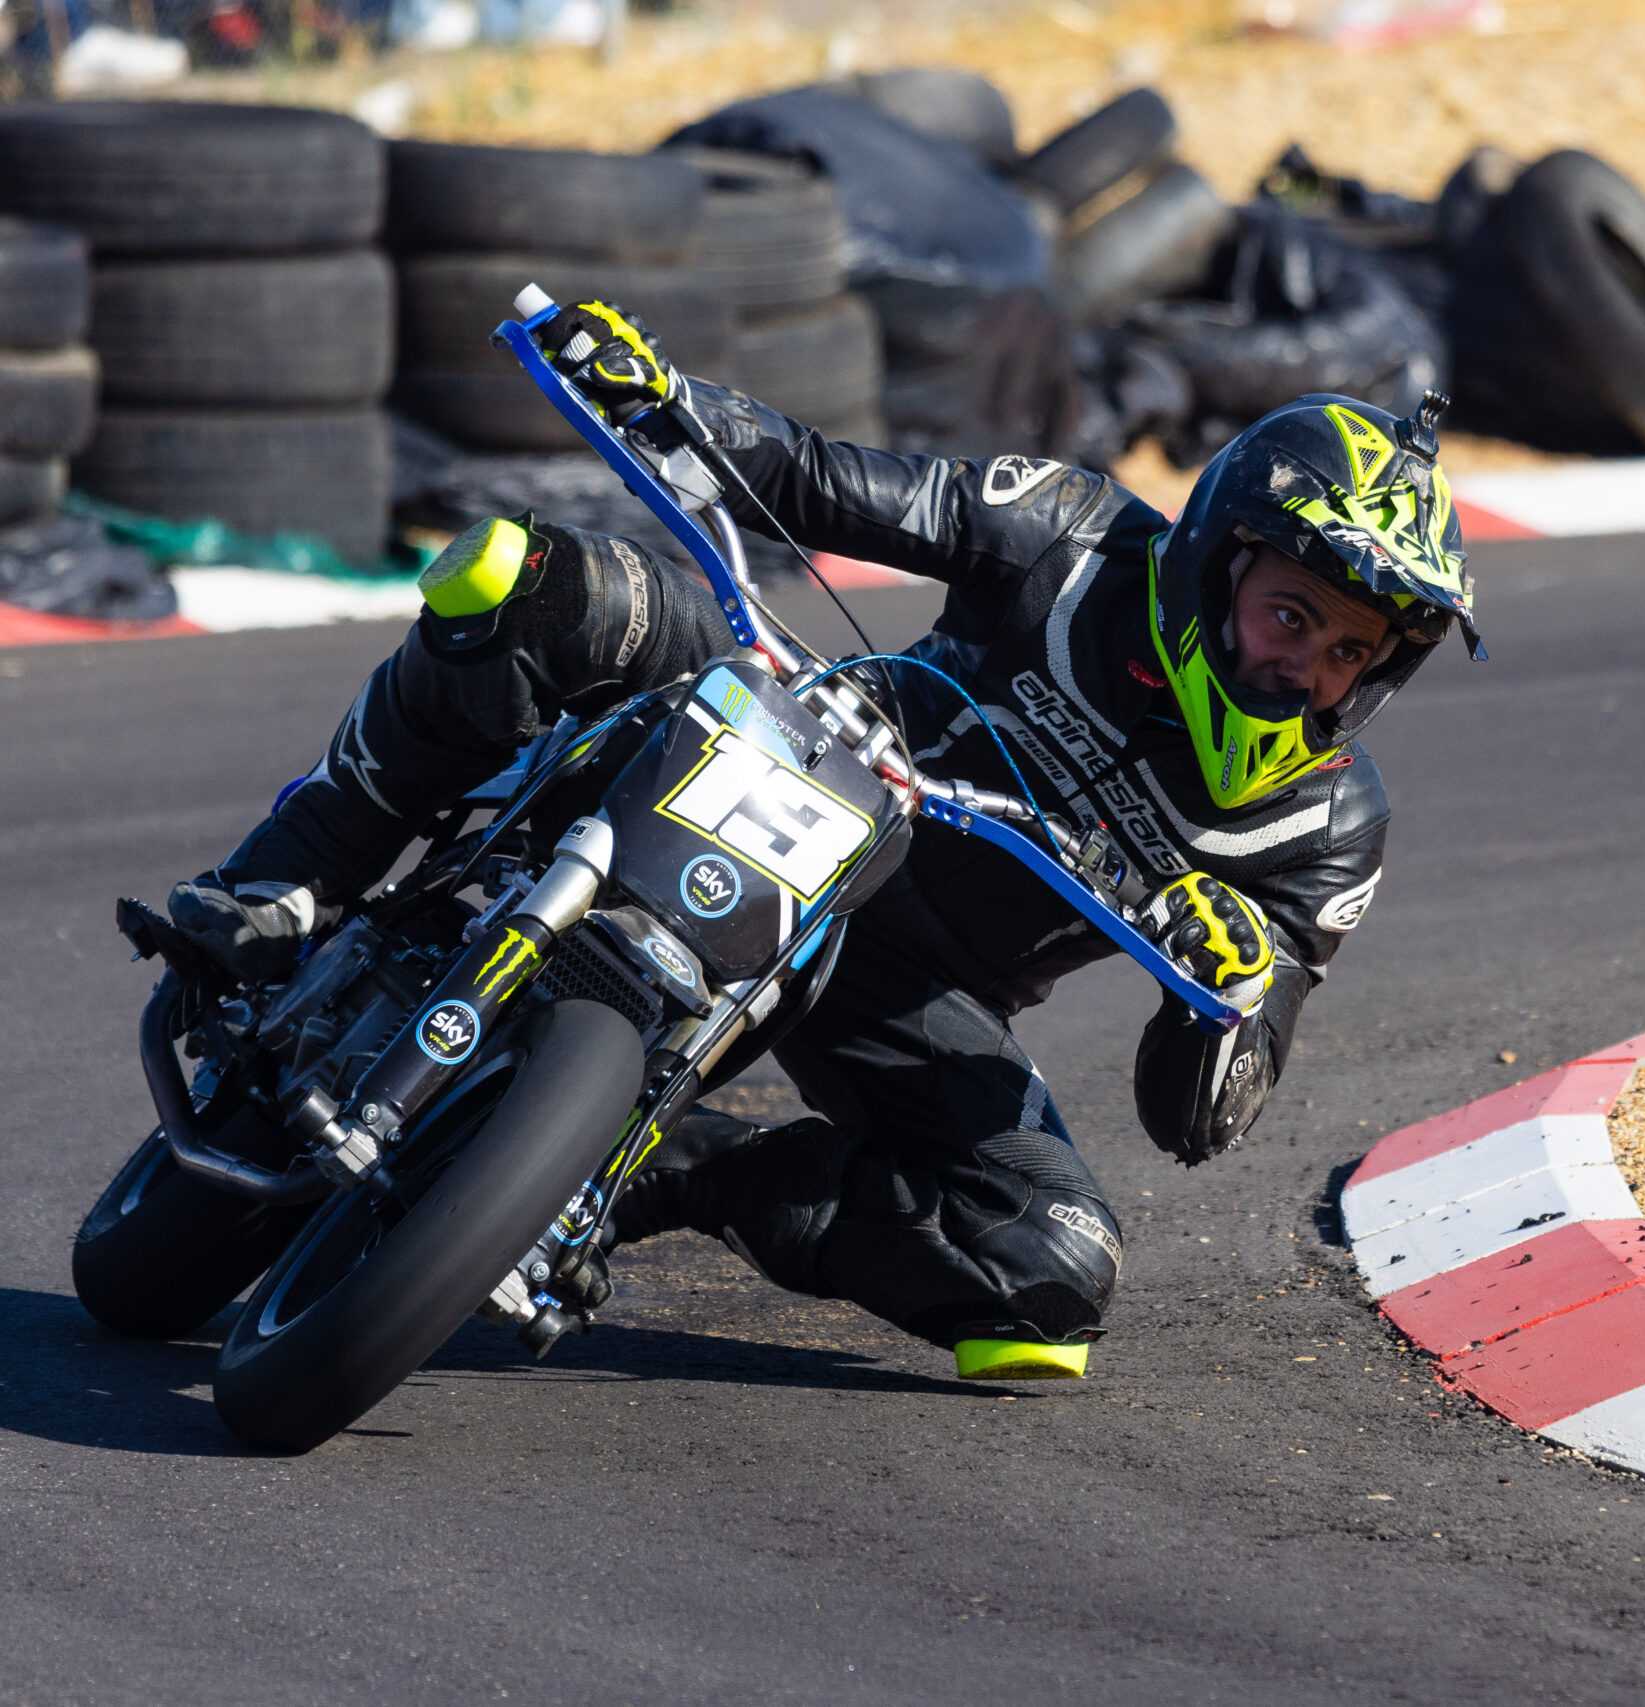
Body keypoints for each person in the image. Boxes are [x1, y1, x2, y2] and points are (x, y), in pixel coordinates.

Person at [167, 299, 1484, 1381]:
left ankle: (662, 1171)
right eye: (1291, 616)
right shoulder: (1071, 535)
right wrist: (668, 396)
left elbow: (1197, 1118)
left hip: (907, 988)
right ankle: (288, 879)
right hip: (800, 752)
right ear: (1216, 562)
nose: (1307, 667)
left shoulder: (1330, 830)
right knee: (535, 578)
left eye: (1349, 650)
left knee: (1051, 1268)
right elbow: (813, 483)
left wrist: (1228, 987)